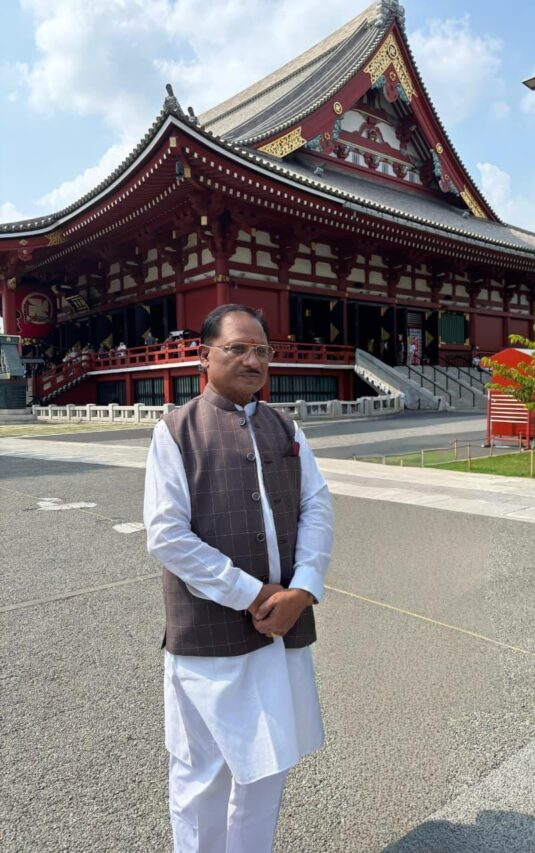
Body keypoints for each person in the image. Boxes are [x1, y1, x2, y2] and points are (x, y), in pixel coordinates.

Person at [144, 304, 333, 853]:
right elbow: (166, 534)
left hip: (283, 626)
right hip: (210, 633)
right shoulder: (176, 432)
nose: (253, 360)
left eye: (262, 351)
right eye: (237, 349)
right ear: (204, 356)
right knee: (202, 773)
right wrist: (250, 593)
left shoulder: (285, 428)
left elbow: (317, 507)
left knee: (267, 766)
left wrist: (303, 588)